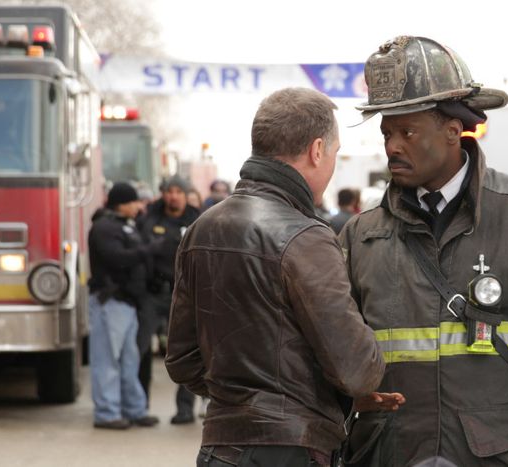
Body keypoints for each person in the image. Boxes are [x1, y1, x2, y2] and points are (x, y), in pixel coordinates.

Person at [338, 36, 508, 467]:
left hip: (506, 456)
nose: (392, 146)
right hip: (393, 454)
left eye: (407, 131)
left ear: (453, 131)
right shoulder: (362, 236)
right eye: (387, 133)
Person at [165, 87, 385, 467]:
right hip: (292, 450)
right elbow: (357, 371)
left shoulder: (203, 227)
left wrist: (241, 399)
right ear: (317, 151)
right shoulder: (306, 237)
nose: (331, 165)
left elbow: (182, 360)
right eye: (333, 154)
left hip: (220, 449)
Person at [87, 182, 160, 430]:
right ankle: (107, 413)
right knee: (107, 359)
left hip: (128, 302)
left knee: (130, 360)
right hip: (110, 301)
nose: (138, 206)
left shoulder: (125, 225)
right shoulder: (105, 227)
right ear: (122, 203)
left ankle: (133, 409)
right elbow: (116, 258)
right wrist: (147, 250)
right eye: (133, 202)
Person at [137, 175, 201, 423]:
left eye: (178, 191)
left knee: (185, 351)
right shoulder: (149, 218)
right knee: (141, 349)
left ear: (186, 194)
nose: (173, 195)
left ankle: (185, 408)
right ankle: (140, 405)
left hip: (183, 295)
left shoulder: (197, 219)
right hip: (152, 294)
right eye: (169, 191)